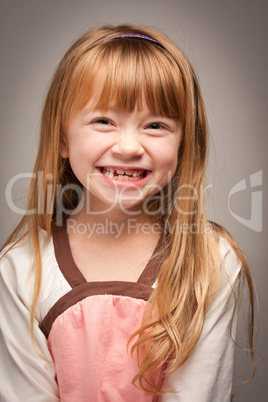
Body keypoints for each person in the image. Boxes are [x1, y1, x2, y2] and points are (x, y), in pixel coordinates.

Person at [0, 24, 255, 401]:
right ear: (61, 138)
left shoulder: (212, 262)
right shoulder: (20, 268)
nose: (129, 146)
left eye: (155, 125)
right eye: (104, 120)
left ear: (184, 144)